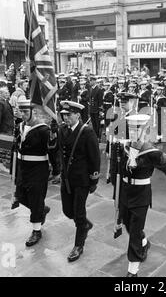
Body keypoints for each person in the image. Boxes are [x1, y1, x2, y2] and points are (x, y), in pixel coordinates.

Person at [108, 114, 166, 277]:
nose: (133, 133)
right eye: (131, 129)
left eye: (137, 129)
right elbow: (117, 168)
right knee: (127, 224)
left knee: (134, 232)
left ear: (145, 130)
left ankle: (133, 269)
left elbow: (165, 166)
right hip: (125, 191)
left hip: (141, 195)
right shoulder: (123, 147)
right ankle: (144, 243)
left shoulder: (150, 151)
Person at [57, 101, 101, 262]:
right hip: (67, 178)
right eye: (64, 114)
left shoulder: (87, 132)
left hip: (81, 180)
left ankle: (78, 245)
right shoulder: (62, 129)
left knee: (78, 211)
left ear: (77, 115)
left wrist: (93, 180)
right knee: (68, 211)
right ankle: (85, 225)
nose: (65, 117)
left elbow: (94, 158)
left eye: (69, 115)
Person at [13, 98, 51, 246]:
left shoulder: (43, 130)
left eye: (25, 111)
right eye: (20, 111)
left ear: (33, 112)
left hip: (38, 169)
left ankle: (36, 230)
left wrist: (56, 169)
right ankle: (42, 209)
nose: (22, 114)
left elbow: (52, 151)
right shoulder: (20, 126)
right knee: (21, 196)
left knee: (35, 198)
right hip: (23, 168)